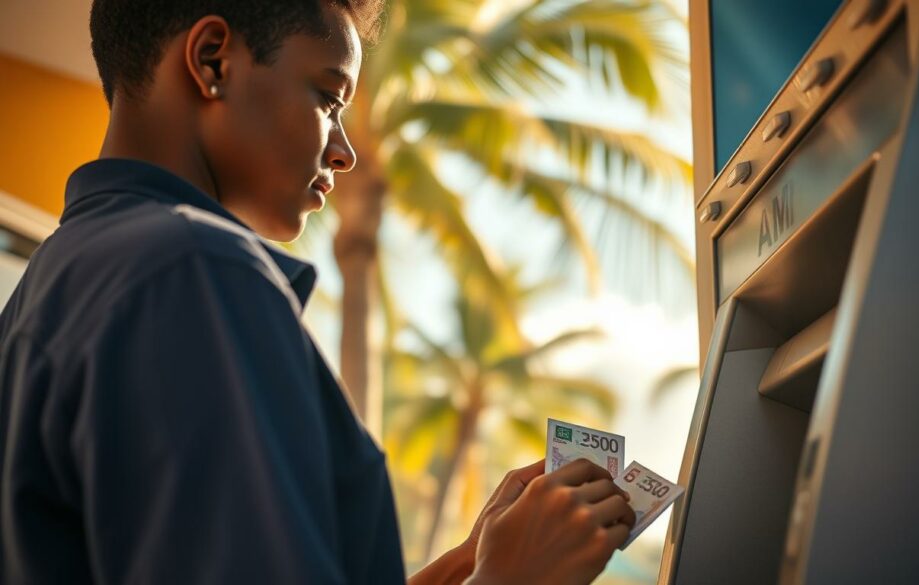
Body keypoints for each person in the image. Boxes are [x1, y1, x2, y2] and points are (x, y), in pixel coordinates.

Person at [0, 1, 636, 583]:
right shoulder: (192, 269)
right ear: (211, 61)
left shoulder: (56, 278)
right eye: (329, 99)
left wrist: (473, 561)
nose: (345, 153)